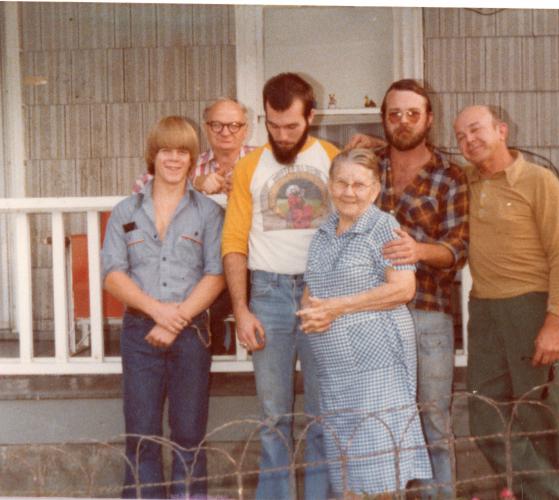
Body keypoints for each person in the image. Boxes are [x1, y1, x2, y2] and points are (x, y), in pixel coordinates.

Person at [348, 79, 469, 499]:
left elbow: (457, 249)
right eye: (394, 114)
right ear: (384, 118)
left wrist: (419, 249)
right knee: (378, 421)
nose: (403, 122)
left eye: (412, 114)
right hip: (369, 312)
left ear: (428, 119)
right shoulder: (364, 167)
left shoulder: (449, 176)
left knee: (433, 420)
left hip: (427, 313)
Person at [222, 73, 339, 500]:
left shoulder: (333, 159)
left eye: (292, 125)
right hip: (267, 295)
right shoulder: (249, 166)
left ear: (311, 116)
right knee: (273, 417)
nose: (282, 135)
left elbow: (351, 233)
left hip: (321, 295)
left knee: (322, 414)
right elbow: (234, 241)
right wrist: (242, 308)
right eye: (273, 125)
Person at [453, 105, 559, 499]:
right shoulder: (465, 182)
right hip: (485, 312)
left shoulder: (538, 180)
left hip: (532, 309)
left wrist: (553, 322)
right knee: (484, 419)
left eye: (476, 130)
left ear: (502, 129)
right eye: (460, 136)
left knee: (539, 421)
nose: (468, 140)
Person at [297, 148, 432, 497]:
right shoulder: (324, 230)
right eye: (341, 182)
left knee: (379, 468)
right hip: (336, 371)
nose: (349, 192)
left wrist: (337, 308)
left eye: (360, 184)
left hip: (377, 368)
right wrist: (311, 312)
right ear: (329, 185)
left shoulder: (384, 227)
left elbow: (403, 288)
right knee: (348, 474)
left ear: (375, 190)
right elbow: (313, 289)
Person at [101, 116, 225, 498]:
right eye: (166, 151)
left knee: (189, 432)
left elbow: (216, 276)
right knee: (142, 434)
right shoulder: (126, 213)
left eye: (183, 152)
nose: (174, 159)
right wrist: (158, 313)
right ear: (152, 156)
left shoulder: (208, 213)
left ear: (192, 160)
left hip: (191, 335)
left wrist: (176, 319)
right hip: (140, 334)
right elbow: (112, 275)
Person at [133, 98, 254, 355]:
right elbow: (143, 185)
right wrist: (195, 184)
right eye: (217, 125)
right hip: (198, 266)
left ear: (246, 128)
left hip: (251, 260)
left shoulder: (260, 162)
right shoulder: (189, 163)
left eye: (234, 125)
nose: (226, 132)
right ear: (206, 127)